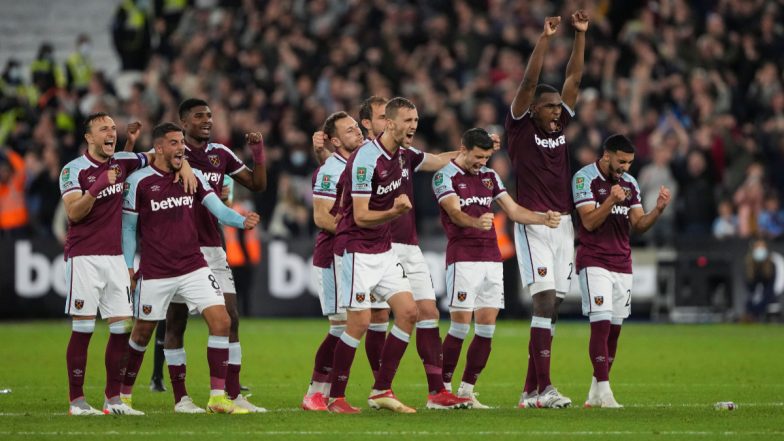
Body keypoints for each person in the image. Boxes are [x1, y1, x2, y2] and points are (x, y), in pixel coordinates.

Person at [128, 98, 267, 412]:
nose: (207, 120)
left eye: (209, 115)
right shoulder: (171, 154)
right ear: (183, 122)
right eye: (199, 116)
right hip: (179, 248)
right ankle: (181, 399)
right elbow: (139, 166)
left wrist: (258, 152)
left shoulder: (220, 154)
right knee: (175, 324)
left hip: (213, 247)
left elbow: (258, 184)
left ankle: (231, 394)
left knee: (230, 318)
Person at [60, 112, 193, 416]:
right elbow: (75, 214)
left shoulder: (122, 161)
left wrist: (183, 163)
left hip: (116, 258)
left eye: (112, 128)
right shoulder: (73, 170)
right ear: (88, 137)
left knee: (122, 329)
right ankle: (77, 402)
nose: (111, 132)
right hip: (84, 258)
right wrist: (96, 187)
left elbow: (161, 153)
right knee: (83, 329)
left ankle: (113, 400)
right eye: (103, 129)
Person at [434, 128, 561, 409]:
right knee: (459, 326)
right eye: (478, 157)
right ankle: (441, 392)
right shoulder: (446, 176)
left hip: (492, 259)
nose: (482, 162)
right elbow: (454, 211)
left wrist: (543, 218)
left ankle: (466, 390)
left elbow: (514, 210)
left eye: (487, 157)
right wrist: (473, 221)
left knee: (487, 327)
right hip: (463, 257)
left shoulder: (490, 176)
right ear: (463, 149)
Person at [506, 11, 589, 409]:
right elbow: (527, 82)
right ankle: (544, 388)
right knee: (543, 301)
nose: (557, 111)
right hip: (535, 222)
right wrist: (544, 39)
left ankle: (530, 391)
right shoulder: (520, 128)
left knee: (553, 304)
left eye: (559, 107)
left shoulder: (559, 126)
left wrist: (580, 36)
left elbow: (573, 79)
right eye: (550, 107)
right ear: (533, 109)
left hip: (565, 223)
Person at [326, 97, 421, 414]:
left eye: (416, 120)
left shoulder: (402, 155)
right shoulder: (368, 159)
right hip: (355, 247)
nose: (413, 126)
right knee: (360, 321)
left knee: (408, 312)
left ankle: (381, 389)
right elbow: (363, 215)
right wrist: (394, 210)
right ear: (390, 124)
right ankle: (336, 397)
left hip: (383, 248)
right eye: (407, 121)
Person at [572, 134, 671, 407]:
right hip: (594, 261)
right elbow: (589, 223)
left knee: (615, 329)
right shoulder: (584, 179)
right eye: (621, 161)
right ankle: (606, 391)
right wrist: (610, 202)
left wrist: (658, 210)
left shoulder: (630, 183)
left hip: (622, 262)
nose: (625, 167)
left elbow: (638, 224)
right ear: (607, 156)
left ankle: (595, 391)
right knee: (601, 325)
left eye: (629, 162)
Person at [302, 111, 365, 411]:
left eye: (357, 127)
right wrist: (359, 227)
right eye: (350, 130)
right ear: (336, 141)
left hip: (356, 250)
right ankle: (316, 392)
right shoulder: (331, 170)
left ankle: (330, 393)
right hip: (333, 254)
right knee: (341, 325)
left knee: (355, 324)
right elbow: (321, 216)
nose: (359, 132)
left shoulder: (359, 164)